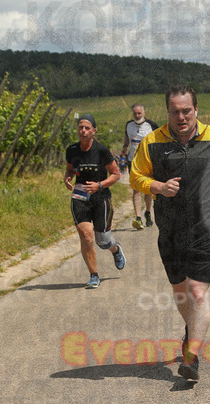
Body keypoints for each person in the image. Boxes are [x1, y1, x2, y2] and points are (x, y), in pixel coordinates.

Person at [130, 85, 210, 380]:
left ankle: (191, 357)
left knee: (197, 292)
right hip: (169, 228)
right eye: (174, 112)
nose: (181, 117)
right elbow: (136, 176)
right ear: (167, 112)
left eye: (186, 111)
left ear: (196, 110)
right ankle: (191, 330)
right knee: (181, 291)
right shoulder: (153, 142)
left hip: (207, 226)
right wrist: (158, 187)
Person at [64, 114, 126, 289]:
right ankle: (93, 275)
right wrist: (68, 178)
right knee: (86, 236)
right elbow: (70, 169)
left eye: (87, 128)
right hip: (79, 197)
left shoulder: (101, 151)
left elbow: (116, 175)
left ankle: (115, 249)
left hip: (100, 198)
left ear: (94, 131)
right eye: (80, 127)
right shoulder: (72, 150)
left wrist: (99, 185)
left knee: (103, 241)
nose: (83, 131)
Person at [122, 104, 159, 229]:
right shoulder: (129, 125)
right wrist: (124, 148)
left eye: (139, 113)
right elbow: (127, 138)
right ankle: (138, 217)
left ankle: (147, 212)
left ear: (144, 113)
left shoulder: (151, 125)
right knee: (136, 189)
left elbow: (158, 140)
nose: (137, 116)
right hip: (133, 161)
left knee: (148, 189)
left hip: (148, 161)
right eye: (135, 113)